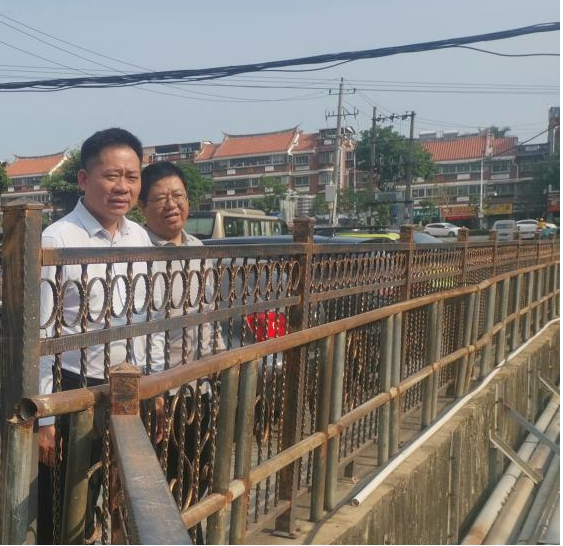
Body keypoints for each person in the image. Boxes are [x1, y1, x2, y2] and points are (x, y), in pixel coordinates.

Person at [39, 128, 165, 544]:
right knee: (66, 507)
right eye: (112, 175)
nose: (123, 187)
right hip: (74, 389)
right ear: (84, 179)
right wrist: (47, 418)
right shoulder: (58, 240)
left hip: (128, 388)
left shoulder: (139, 237)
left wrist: (154, 384)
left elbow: (149, 318)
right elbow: (41, 337)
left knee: (120, 498)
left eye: (132, 177)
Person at [138, 161, 226, 542]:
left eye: (178, 196)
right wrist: (155, 387)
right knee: (163, 481)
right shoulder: (139, 252)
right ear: (143, 206)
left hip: (201, 386)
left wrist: (221, 358)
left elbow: (208, 315)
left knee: (199, 474)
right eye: (160, 198)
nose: (171, 205)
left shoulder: (198, 249)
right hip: (164, 391)